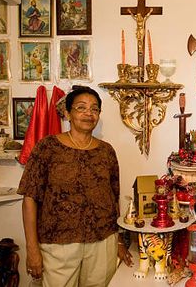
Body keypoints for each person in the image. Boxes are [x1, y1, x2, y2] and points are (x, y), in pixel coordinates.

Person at [17, 86, 132, 286]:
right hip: (58, 246)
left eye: (95, 109)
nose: (89, 113)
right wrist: (32, 248)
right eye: (81, 108)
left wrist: (119, 240)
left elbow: (114, 198)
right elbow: (29, 198)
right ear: (68, 113)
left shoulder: (106, 151)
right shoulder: (47, 148)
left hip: (102, 242)